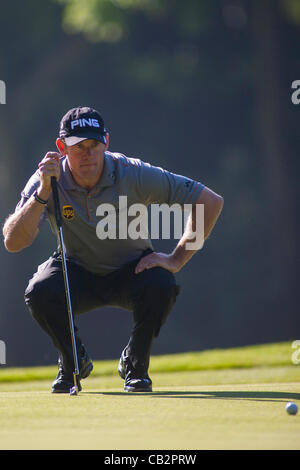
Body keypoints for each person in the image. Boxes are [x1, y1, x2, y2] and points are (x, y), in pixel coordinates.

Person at [3, 106, 224, 393]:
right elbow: (13, 242)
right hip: (76, 270)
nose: (88, 154)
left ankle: (135, 365)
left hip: (132, 270)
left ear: (106, 141)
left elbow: (209, 201)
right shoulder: (47, 178)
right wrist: (43, 193)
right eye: (78, 146)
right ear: (61, 147)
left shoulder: (133, 173)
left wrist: (177, 259)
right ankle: (73, 362)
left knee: (162, 284)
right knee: (39, 291)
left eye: (94, 145)